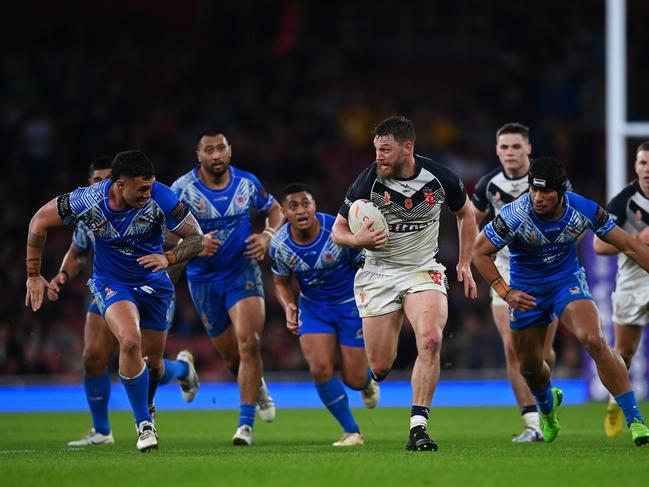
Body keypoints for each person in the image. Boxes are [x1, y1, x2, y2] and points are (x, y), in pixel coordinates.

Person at [26, 150, 204, 452]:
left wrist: (168, 257)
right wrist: (34, 274)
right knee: (126, 343)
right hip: (112, 283)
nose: (148, 194)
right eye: (141, 189)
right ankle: (142, 425)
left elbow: (196, 237)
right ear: (119, 184)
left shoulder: (162, 197)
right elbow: (39, 221)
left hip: (154, 285)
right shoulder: (88, 202)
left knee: (153, 365)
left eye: (151, 186)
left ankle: (184, 371)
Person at [473, 156, 649, 447]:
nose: (538, 198)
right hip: (526, 291)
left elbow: (629, 245)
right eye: (533, 190)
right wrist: (504, 291)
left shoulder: (584, 208)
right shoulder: (515, 214)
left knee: (594, 339)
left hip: (566, 282)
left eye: (545, 192)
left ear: (561, 193)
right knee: (529, 366)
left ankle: (636, 421)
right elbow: (479, 252)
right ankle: (547, 408)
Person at [331, 115, 478, 452]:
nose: (378, 156)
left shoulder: (440, 178)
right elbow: (338, 230)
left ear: (407, 147)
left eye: (385, 149)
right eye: (376, 149)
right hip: (378, 274)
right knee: (380, 366)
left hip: (422, 269)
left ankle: (418, 428)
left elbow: (466, 214)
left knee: (429, 340)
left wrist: (466, 262)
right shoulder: (366, 182)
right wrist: (358, 239)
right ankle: (373, 381)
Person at [171, 130, 283, 446]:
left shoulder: (247, 183)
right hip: (203, 281)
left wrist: (268, 235)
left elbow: (275, 209)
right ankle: (257, 386)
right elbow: (160, 230)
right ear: (199, 154)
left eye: (221, 148)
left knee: (250, 342)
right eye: (209, 150)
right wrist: (192, 243)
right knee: (234, 359)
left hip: (241, 271)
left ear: (230, 151)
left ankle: (244, 425)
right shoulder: (182, 189)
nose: (216, 155)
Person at [270, 183, 380, 447]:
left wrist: (369, 303)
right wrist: (288, 306)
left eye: (305, 203)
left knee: (353, 379)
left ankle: (366, 382)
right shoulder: (279, 245)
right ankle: (352, 431)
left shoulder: (337, 231)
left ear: (314, 205)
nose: (301, 210)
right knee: (319, 369)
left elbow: (364, 267)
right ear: (284, 212)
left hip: (349, 305)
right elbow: (281, 282)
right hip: (313, 308)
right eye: (293, 206)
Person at [472, 123, 558, 442]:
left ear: (528, 149)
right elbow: (471, 219)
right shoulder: (487, 184)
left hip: (546, 269)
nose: (510, 153)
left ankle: (547, 396)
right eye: (504, 147)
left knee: (541, 358)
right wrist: (468, 261)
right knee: (513, 350)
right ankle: (533, 423)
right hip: (507, 270)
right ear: (497, 151)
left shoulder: (548, 179)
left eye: (516, 147)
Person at [593, 141, 649, 438]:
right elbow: (599, 245)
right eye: (643, 163)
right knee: (624, 351)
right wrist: (640, 237)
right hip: (633, 281)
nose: (647, 169)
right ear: (636, 166)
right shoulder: (625, 201)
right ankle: (617, 401)